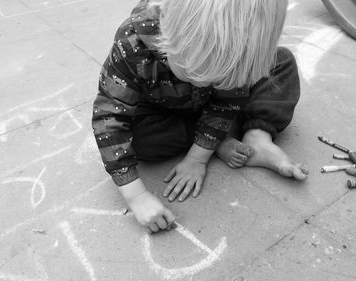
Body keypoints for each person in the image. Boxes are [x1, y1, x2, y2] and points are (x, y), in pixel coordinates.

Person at [92, 0, 308, 233]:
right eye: (197, 74)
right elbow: (108, 118)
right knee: (139, 138)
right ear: (169, 40)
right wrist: (137, 196)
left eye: (221, 80)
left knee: (282, 61)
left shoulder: (235, 55)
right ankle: (219, 140)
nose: (208, 84)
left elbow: (227, 101)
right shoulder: (132, 45)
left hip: (215, 110)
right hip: (165, 110)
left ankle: (257, 136)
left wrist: (197, 158)